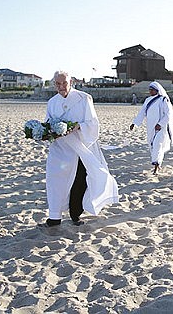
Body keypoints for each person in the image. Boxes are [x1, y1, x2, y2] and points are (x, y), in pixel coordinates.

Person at [40, 71, 119, 227]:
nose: (61, 86)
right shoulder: (52, 102)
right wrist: (46, 133)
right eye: (58, 83)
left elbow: (93, 124)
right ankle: (54, 216)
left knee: (78, 181)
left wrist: (77, 127)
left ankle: (75, 214)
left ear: (71, 83)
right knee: (54, 179)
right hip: (59, 148)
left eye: (64, 83)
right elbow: (48, 123)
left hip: (80, 146)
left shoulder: (83, 99)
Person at [130, 81, 173, 175]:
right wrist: (135, 123)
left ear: (157, 90)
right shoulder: (147, 100)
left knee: (157, 145)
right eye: (149, 90)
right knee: (152, 145)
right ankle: (157, 163)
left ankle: (156, 166)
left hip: (160, 128)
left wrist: (161, 124)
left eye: (152, 89)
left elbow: (168, 114)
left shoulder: (163, 100)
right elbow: (142, 113)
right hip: (150, 127)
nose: (150, 91)